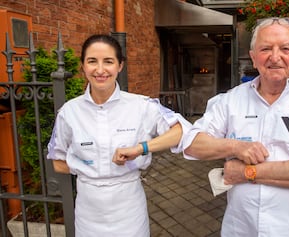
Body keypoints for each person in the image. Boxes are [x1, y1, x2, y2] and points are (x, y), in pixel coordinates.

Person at [183, 18, 289, 236]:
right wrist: (235, 147)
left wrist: (246, 172)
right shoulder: (231, 100)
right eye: (265, 48)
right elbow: (192, 144)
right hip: (241, 228)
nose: (275, 56)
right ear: (253, 57)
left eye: (285, 48)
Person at [47, 34, 190, 237]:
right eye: (92, 61)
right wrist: (92, 166)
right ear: (83, 66)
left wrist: (142, 148)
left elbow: (180, 131)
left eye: (108, 61)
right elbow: (58, 161)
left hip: (129, 210)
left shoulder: (141, 106)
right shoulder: (69, 112)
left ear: (120, 65)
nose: (100, 70)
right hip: (88, 213)